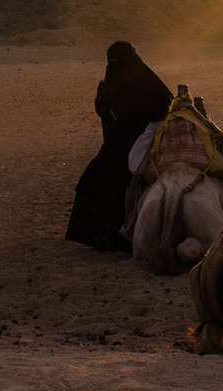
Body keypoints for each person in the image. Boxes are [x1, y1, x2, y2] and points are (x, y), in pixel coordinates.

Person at [65, 42, 173, 251]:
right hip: (125, 143)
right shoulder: (142, 80)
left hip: (133, 143)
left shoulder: (124, 83)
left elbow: (103, 108)